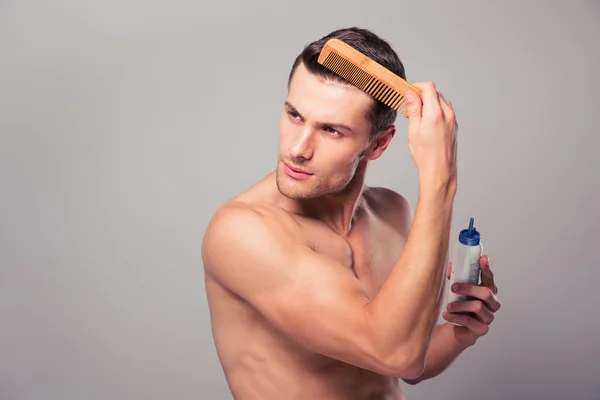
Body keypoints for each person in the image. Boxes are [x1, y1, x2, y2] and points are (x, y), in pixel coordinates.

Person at [201, 27, 501, 400]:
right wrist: (441, 179)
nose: (298, 148)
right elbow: (396, 355)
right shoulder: (244, 231)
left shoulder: (392, 211)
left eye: (330, 130)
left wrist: (459, 333)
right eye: (294, 115)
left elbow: (406, 363)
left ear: (378, 144)